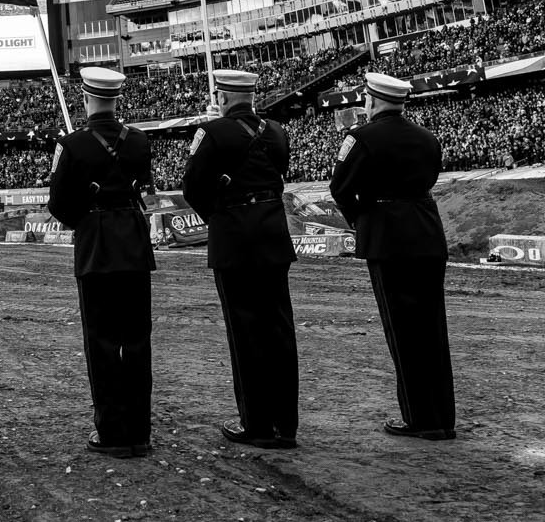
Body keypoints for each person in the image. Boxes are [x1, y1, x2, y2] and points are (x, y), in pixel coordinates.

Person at [329, 70, 455, 441]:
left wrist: (361, 221)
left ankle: (420, 419)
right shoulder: (427, 137)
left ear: (371, 100)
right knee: (432, 329)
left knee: (402, 330)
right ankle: (443, 417)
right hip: (428, 233)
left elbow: (340, 188)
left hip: (388, 236)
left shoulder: (361, 138)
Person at [181, 67, 299, 449]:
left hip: (235, 239)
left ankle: (258, 424)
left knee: (245, 332)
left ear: (222, 97)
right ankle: (286, 424)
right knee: (280, 329)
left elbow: (193, 188)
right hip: (273, 235)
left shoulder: (212, 134)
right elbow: (278, 171)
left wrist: (220, 215)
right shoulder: (277, 131)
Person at [43, 65, 156, 458]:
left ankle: (111, 431)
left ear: (86, 99)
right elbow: (143, 185)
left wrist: (87, 220)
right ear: (115, 99)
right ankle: (140, 430)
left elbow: (58, 204)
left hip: (96, 246)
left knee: (102, 341)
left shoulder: (72, 145)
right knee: (138, 339)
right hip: (135, 244)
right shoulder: (139, 141)